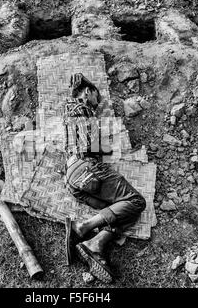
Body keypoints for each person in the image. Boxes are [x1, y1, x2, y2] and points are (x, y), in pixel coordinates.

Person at [63, 73, 146, 283]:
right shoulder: (80, 108)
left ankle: (96, 244)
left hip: (74, 180)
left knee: (122, 211)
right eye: (96, 98)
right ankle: (84, 228)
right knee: (136, 202)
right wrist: (104, 146)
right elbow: (89, 145)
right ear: (88, 91)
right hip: (87, 170)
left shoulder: (68, 112)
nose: (97, 103)